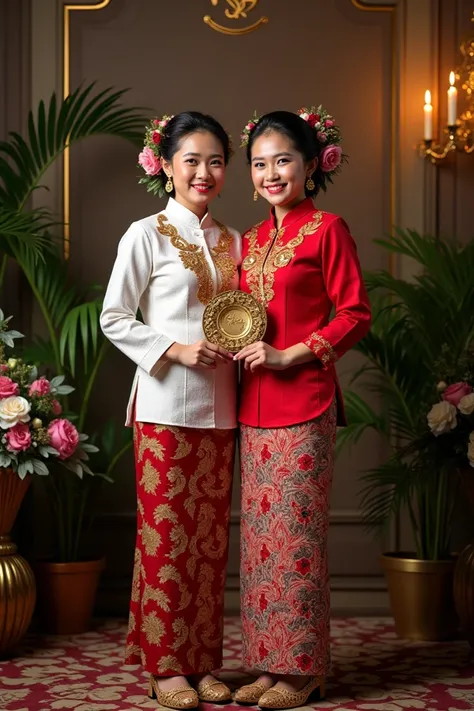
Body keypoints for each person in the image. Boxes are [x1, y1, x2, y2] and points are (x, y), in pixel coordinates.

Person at [100, 111, 241, 710]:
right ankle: (166, 666)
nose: (204, 172)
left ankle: (203, 658)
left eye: (215, 161)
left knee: (209, 542)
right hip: (163, 407)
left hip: (224, 409)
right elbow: (114, 317)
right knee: (165, 538)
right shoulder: (146, 234)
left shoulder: (235, 242)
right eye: (192, 160)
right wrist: (174, 348)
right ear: (166, 165)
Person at [233, 107, 371, 710]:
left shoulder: (328, 229)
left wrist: (293, 354)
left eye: (283, 160)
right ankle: (268, 664)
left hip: (305, 401)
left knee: (296, 540)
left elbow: (354, 314)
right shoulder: (253, 240)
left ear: (311, 166)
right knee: (260, 541)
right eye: (260, 163)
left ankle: (304, 669)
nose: (271, 173)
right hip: (251, 408)